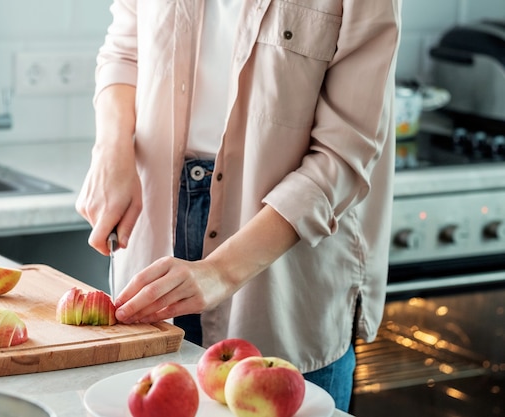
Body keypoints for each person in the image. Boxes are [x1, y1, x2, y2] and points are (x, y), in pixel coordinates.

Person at [76, 0, 401, 411]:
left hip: (279, 269)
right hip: (153, 238)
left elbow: (344, 154)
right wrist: (111, 149)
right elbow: (124, 50)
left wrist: (221, 271)